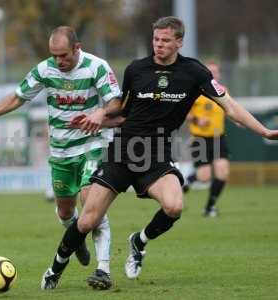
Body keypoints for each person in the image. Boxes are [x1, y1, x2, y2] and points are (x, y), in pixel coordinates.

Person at [40, 16, 278, 290]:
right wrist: (98, 118)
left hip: (156, 155)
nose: (159, 45)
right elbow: (123, 114)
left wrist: (263, 131)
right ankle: (55, 268)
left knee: (175, 206)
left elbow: (231, 107)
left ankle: (138, 241)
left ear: (179, 42)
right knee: (88, 219)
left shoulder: (195, 73)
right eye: (155, 40)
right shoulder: (136, 70)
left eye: (165, 40)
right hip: (122, 151)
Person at [0, 26, 122, 289]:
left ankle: (102, 268)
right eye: (54, 55)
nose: (59, 61)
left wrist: (100, 114)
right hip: (60, 151)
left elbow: (116, 101)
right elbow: (18, 97)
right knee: (65, 211)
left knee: (91, 205)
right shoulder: (45, 69)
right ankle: (76, 238)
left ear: (77, 48)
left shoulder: (97, 67)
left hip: (93, 145)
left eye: (64, 56)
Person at [183, 62, 230, 217]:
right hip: (200, 139)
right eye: (210, 72)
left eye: (216, 72)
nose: (213, 74)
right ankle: (188, 181)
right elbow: (185, 113)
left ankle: (209, 207)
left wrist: (240, 121)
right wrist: (197, 120)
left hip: (218, 138)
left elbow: (231, 110)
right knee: (205, 176)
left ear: (220, 75)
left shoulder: (223, 92)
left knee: (222, 172)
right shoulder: (196, 92)